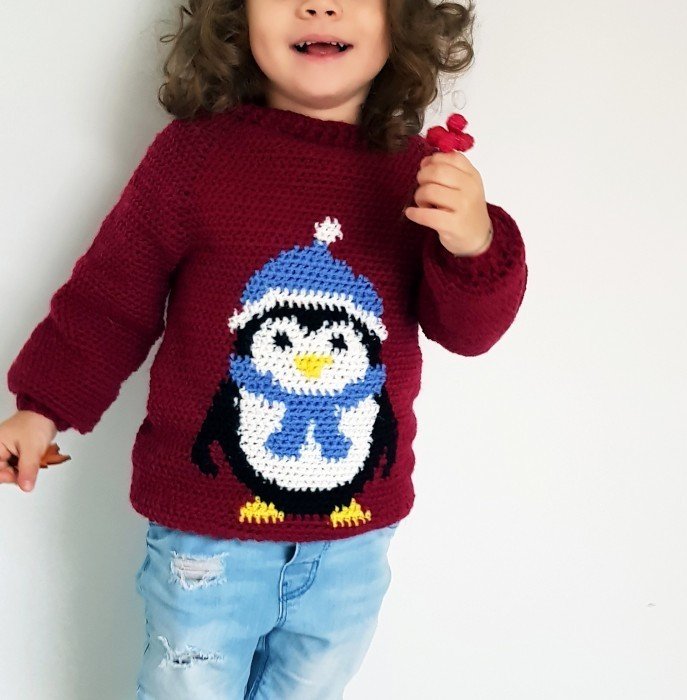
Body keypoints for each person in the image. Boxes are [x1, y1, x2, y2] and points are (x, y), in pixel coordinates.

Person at [0, 0, 528, 697]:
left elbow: (469, 332)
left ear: (401, 20)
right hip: (206, 539)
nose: (319, 5)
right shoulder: (193, 158)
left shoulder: (421, 177)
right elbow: (112, 296)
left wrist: (474, 241)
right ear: (236, 16)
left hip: (354, 541)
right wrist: (41, 408)